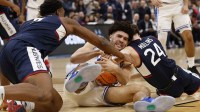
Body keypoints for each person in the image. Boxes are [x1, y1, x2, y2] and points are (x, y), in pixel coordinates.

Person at [0, 0, 132, 111]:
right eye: (63, 11)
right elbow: (102, 42)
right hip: (26, 49)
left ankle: (19, 105)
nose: (65, 13)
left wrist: (4, 99)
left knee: (55, 103)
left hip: (6, 54)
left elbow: (8, 55)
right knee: (44, 93)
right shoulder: (65, 21)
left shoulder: (28, 23)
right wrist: (122, 55)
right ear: (58, 11)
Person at [64, 21, 175, 112]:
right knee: (86, 66)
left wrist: (116, 69)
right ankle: (80, 82)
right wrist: (97, 53)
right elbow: (74, 58)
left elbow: (125, 81)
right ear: (111, 35)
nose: (122, 40)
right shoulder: (97, 42)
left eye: (125, 39)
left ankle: (146, 105)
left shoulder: (125, 57)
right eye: (119, 36)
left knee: (142, 89)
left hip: (100, 94)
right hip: (74, 90)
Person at [119, 24, 200, 100]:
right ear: (138, 32)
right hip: (181, 75)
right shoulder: (152, 38)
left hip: (168, 89)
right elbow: (160, 64)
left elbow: (152, 69)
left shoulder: (129, 50)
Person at [151, 0, 200, 75]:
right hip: (162, 7)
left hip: (178, 6)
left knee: (189, 37)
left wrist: (186, 5)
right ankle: (163, 68)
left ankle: (191, 66)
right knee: (162, 40)